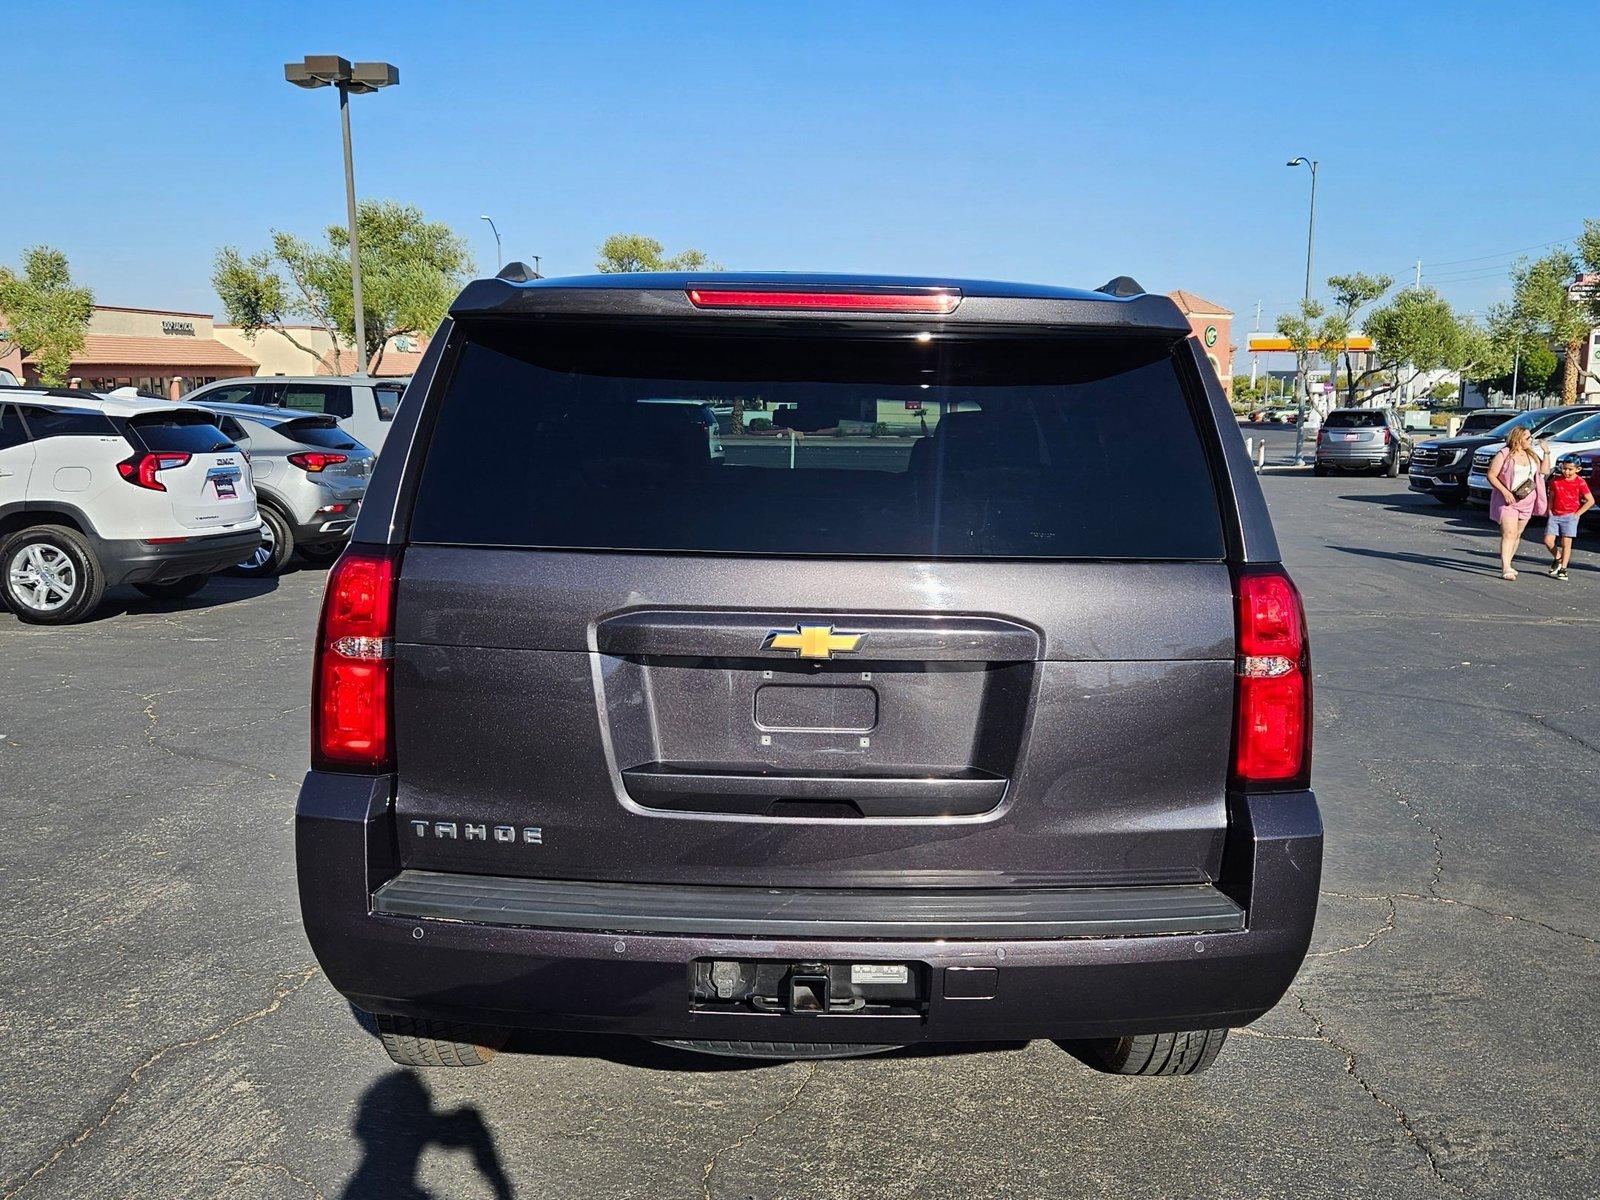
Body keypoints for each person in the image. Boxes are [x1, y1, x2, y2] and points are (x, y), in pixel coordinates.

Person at [1487, 425, 1548, 580]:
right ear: (1518, 438)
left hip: (1527, 500)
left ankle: (1509, 562)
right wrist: (1505, 492)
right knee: (1508, 533)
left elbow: (1543, 471)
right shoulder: (1504, 454)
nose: (1530, 440)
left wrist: (1546, 452)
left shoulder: (1531, 455)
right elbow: (1491, 475)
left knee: (1517, 534)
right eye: (1527, 438)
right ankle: (1505, 567)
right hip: (1508, 500)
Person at [1542, 456, 1595, 581]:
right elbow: (1552, 496)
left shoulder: (1580, 482)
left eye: (1570, 469)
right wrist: (1549, 509)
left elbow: (1590, 500)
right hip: (1555, 514)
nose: (1566, 472)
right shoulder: (1555, 481)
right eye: (1564, 468)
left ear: (1578, 469)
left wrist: (1577, 514)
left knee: (1566, 542)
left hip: (1570, 515)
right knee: (1548, 540)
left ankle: (1563, 568)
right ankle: (1558, 557)